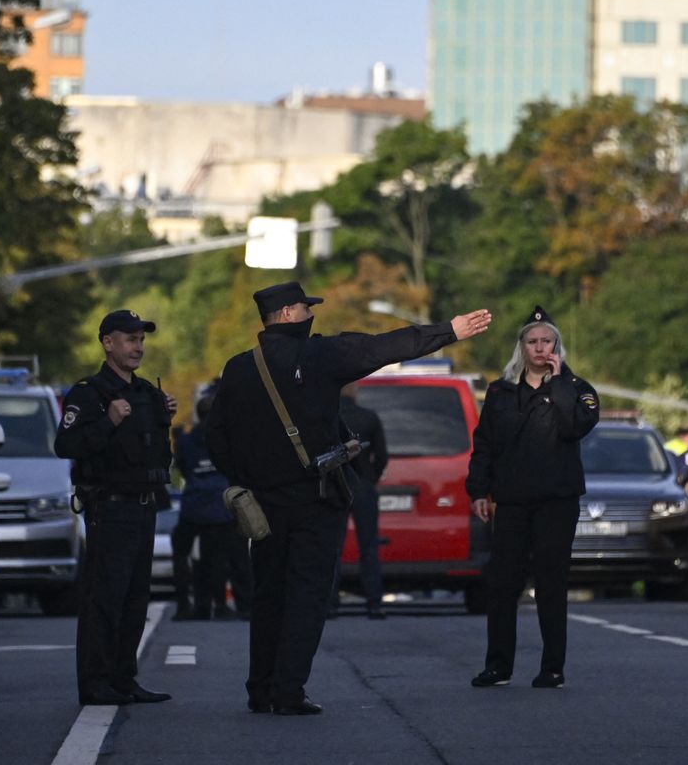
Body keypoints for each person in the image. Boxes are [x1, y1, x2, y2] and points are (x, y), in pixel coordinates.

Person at [206, 280, 490, 715]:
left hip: (263, 503)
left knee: (269, 595)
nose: (311, 315)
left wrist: (247, 479)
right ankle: (288, 691)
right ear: (285, 314)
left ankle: (260, 688)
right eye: (305, 308)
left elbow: (217, 437)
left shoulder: (240, 368)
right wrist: (448, 330)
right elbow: (384, 347)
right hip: (316, 499)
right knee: (308, 595)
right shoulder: (320, 355)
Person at [465, 305, 599, 690]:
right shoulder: (500, 392)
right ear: (521, 347)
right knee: (502, 583)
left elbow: (574, 427)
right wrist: (479, 490)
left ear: (558, 346)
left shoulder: (577, 390)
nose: (540, 349)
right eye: (532, 342)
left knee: (551, 583)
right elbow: (485, 444)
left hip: (556, 500)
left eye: (547, 341)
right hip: (511, 500)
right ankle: (498, 666)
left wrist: (558, 385)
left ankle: (552, 667)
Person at [53, 309, 178, 707]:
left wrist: (164, 417)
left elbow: (157, 454)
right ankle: (96, 683)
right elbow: (66, 446)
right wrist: (108, 421)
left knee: (135, 599)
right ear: (108, 343)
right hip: (109, 509)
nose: (138, 346)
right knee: (104, 600)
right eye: (130, 339)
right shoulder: (90, 393)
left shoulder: (146, 394)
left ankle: (124, 679)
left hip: (144, 507)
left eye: (141, 339)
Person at [172, 381, 252, 620]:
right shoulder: (226, 437)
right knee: (226, 557)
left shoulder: (186, 440)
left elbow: (182, 468)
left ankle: (188, 604)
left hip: (194, 505)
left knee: (184, 553)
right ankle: (226, 603)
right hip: (222, 505)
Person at [330, 382, 389, 619]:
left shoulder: (331, 418)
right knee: (369, 546)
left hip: (336, 486)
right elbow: (382, 455)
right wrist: (370, 477)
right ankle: (374, 602)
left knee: (333, 547)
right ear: (354, 389)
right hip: (363, 485)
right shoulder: (369, 417)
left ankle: (331, 603)